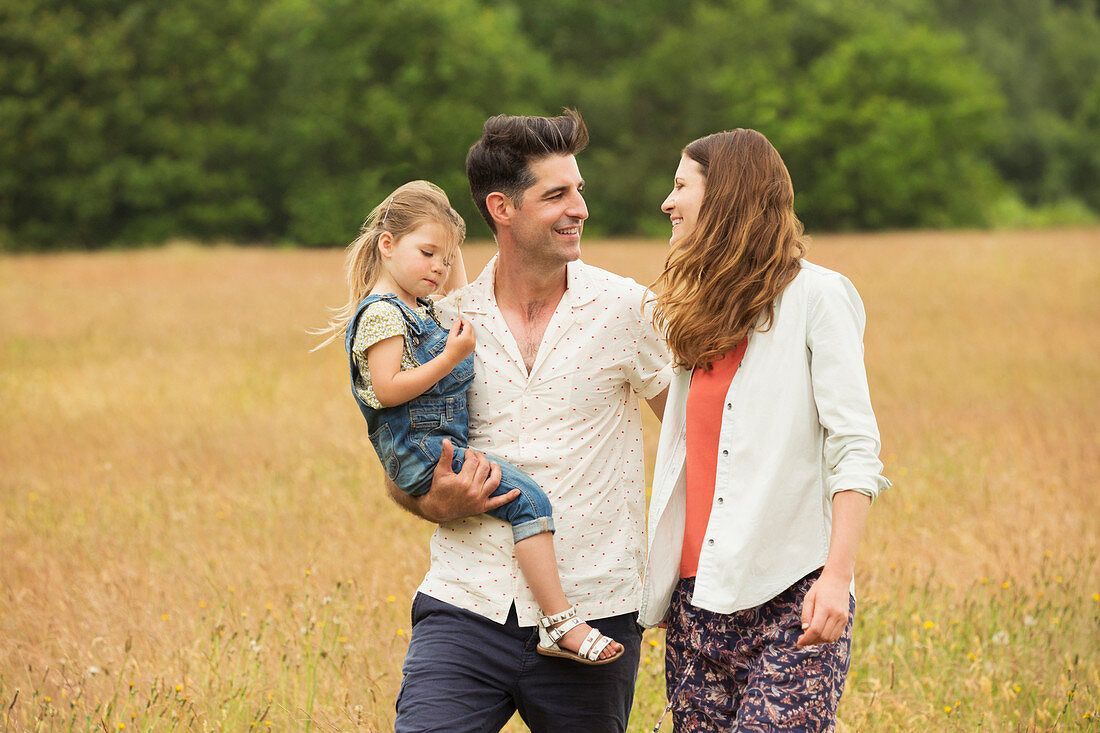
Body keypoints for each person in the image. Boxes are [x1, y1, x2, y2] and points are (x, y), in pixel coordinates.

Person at [386, 110, 672, 733]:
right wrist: (434, 502)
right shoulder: (441, 322)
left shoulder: (627, 309)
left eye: (580, 191)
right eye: (557, 195)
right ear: (502, 208)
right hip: (467, 602)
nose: (579, 209)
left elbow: (694, 438)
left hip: (595, 610)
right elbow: (399, 457)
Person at [638, 129, 891, 731]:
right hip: (696, 603)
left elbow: (855, 448)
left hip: (793, 598)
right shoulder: (700, 310)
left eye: (681, 186)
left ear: (725, 195)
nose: (667, 203)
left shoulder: (819, 297)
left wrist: (837, 580)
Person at [316, 179, 622, 665]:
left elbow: (462, 290)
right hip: (422, 451)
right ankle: (560, 621)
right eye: (427, 252)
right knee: (530, 500)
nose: (438, 267)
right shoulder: (383, 315)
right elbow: (388, 388)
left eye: (446, 255)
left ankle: (550, 618)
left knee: (523, 499)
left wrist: (444, 214)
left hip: (434, 445)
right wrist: (452, 356)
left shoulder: (419, 307)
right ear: (387, 245)